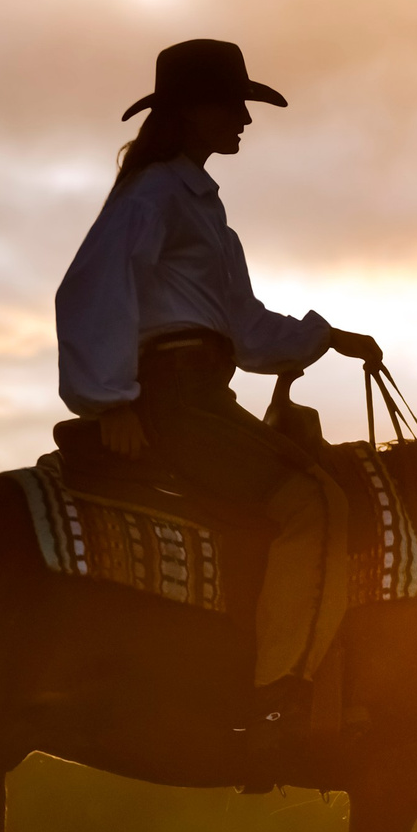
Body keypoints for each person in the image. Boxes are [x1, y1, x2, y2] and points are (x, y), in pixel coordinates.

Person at [52, 39, 382, 770]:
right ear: (192, 113)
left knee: (315, 491)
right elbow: (90, 288)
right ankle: (277, 702)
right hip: (173, 400)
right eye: (232, 106)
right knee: (315, 504)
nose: (244, 121)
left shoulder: (194, 203)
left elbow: (244, 326)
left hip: (202, 390)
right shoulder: (155, 196)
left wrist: (324, 337)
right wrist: (112, 401)